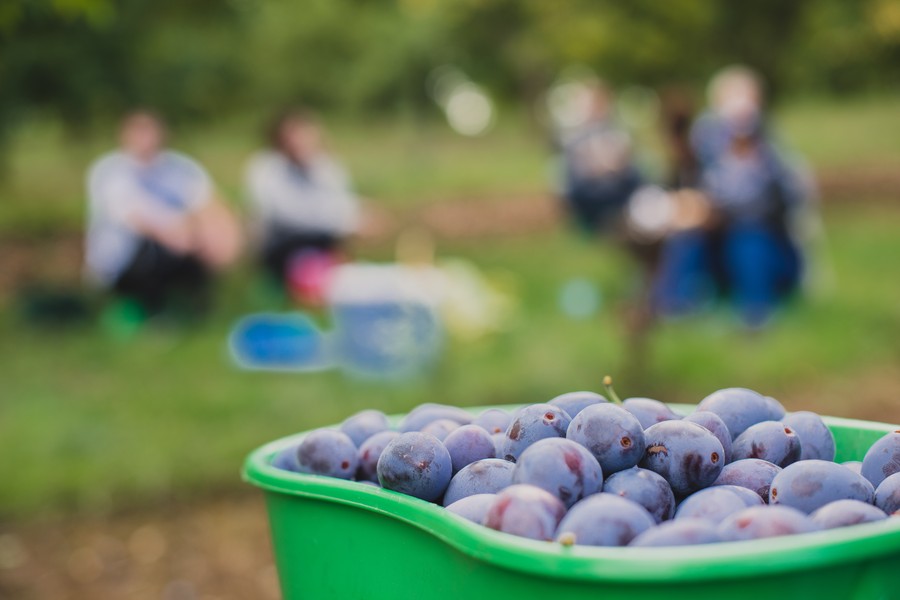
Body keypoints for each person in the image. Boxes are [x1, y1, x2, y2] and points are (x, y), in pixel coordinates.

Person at [654, 66, 808, 329]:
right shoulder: (703, 151)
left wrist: (720, 212)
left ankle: (756, 315)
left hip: (768, 254)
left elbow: (784, 204)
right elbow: (680, 194)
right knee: (688, 234)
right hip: (718, 254)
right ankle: (669, 308)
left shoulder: (771, 153)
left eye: (745, 98)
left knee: (748, 235)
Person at [85, 110, 240, 318]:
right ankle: (152, 311)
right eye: (139, 132)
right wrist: (183, 233)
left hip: (178, 243)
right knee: (155, 248)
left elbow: (209, 203)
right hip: (124, 260)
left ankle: (199, 310)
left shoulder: (179, 167)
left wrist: (223, 235)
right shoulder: (110, 171)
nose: (146, 139)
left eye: (150, 131)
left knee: (202, 240)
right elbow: (137, 217)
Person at [245, 108, 360, 301]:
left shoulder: (326, 166)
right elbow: (284, 215)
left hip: (326, 238)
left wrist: (359, 217)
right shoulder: (266, 168)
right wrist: (344, 220)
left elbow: (343, 201)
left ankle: (332, 287)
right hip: (282, 244)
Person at [556, 81, 642, 234]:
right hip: (588, 194)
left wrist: (614, 165)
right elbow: (574, 178)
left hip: (617, 191)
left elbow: (629, 171)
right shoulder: (574, 139)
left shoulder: (618, 136)